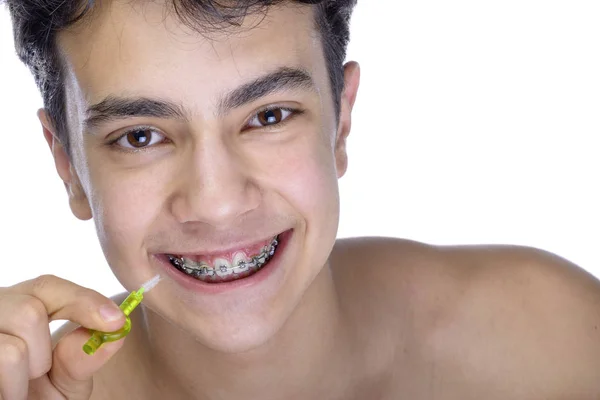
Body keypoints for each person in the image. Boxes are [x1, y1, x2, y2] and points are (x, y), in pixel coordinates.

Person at [1, 0, 599, 399]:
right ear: (68, 166)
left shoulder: (557, 340)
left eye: (268, 116)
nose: (215, 202)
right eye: (141, 136)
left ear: (340, 124)